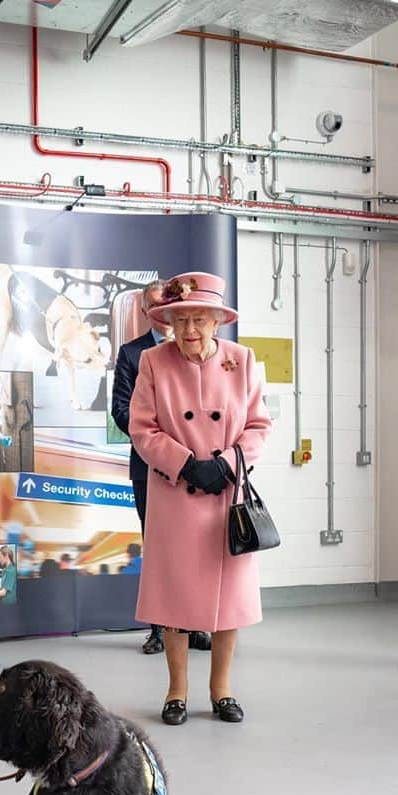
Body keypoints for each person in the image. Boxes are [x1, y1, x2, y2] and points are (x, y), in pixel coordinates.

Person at [128, 272, 271, 725]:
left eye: (199, 319)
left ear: (217, 322)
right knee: (174, 597)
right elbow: (141, 428)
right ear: (169, 321)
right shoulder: (153, 360)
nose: (189, 330)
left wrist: (227, 464)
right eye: (180, 319)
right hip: (175, 494)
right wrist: (186, 464)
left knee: (227, 598)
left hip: (227, 497)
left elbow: (259, 426)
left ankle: (222, 689)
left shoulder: (243, 360)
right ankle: (176, 692)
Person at [112, 282, 211, 655]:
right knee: (159, 551)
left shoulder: (204, 353)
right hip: (150, 468)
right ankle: (160, 629)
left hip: (200, 469)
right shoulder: (132, 354)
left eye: (171, 304)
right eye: (157, 306)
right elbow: (121, 410)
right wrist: (161, 445)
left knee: (198, 550)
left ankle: (196, 625)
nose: (167, 312)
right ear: (147, 311)